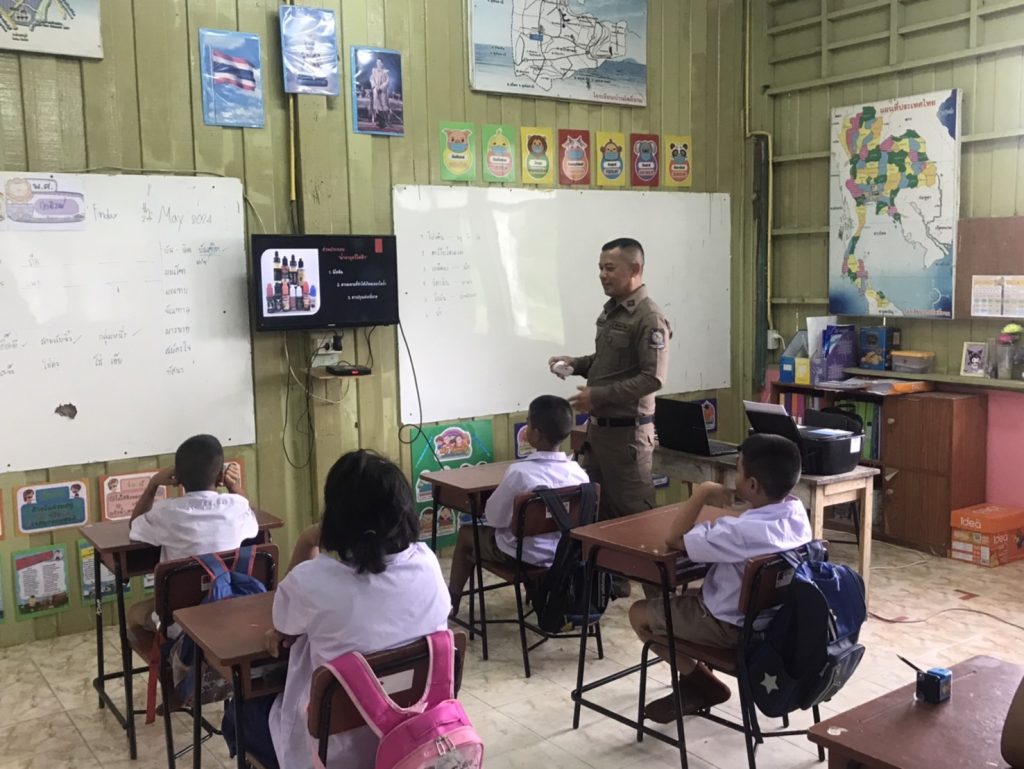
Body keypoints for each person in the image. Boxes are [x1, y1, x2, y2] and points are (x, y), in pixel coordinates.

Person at [249, 450, 450, 769]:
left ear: (334, 518)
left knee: (240, 712)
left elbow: (282, 623)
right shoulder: (428, 565)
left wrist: (306, 541)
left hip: (332, 754)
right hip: (414, 740)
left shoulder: (312, 580)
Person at [628, 434, 811, 722]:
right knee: (687, 597)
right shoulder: (797, 513)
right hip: (775, 623)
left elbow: (675, 539)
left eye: (737, 470)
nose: (734, 477)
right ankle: (693, 685)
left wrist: (702, 493)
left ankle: (704, 684)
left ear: (752, 485)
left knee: (638, 614)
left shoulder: (738, 532)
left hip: (729, 627)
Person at [549, 237, 672, 596]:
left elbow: (653, 378)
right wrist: (576, 364)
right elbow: (608, 364)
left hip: (627, 438)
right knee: (599, 513)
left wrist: (598, 396)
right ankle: (613, 585)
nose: (602, 274)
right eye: (600, 268)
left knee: (639, 519)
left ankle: (659, 602)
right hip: (600, 434)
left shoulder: (648, 317)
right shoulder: (612, 312)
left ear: (635, 269)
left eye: (610, 268)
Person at [447, 394, 589, 614]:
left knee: (467, 533)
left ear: (535, 433)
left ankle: (451, 603)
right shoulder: (579, 474)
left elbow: (494, 518)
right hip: (563, 555)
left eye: (528, 422)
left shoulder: (519, 474)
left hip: (522, 556)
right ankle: (538, 593)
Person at [126, 434, 257, 632]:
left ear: (177, 478)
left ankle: (164, 650)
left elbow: (135, 526)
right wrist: (233, 485)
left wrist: (153, 484)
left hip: (181, 625)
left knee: (134, 612)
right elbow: (252, 515)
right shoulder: (236, 506)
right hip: (231, 614)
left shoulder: (166, 512)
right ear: (220, 476)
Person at [369, 58, 390, 128]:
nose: (378, 63)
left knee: (383, 105)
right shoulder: (374, 71)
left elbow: (387, 81)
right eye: (377, 62)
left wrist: (381, 87)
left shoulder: (385, 72)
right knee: (377, 105)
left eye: (379, 62)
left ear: (382, 63)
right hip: (376, 90)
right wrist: (375, 86)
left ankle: (385, 122)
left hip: (382, 91)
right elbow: (371, 79)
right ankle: (380, 122)